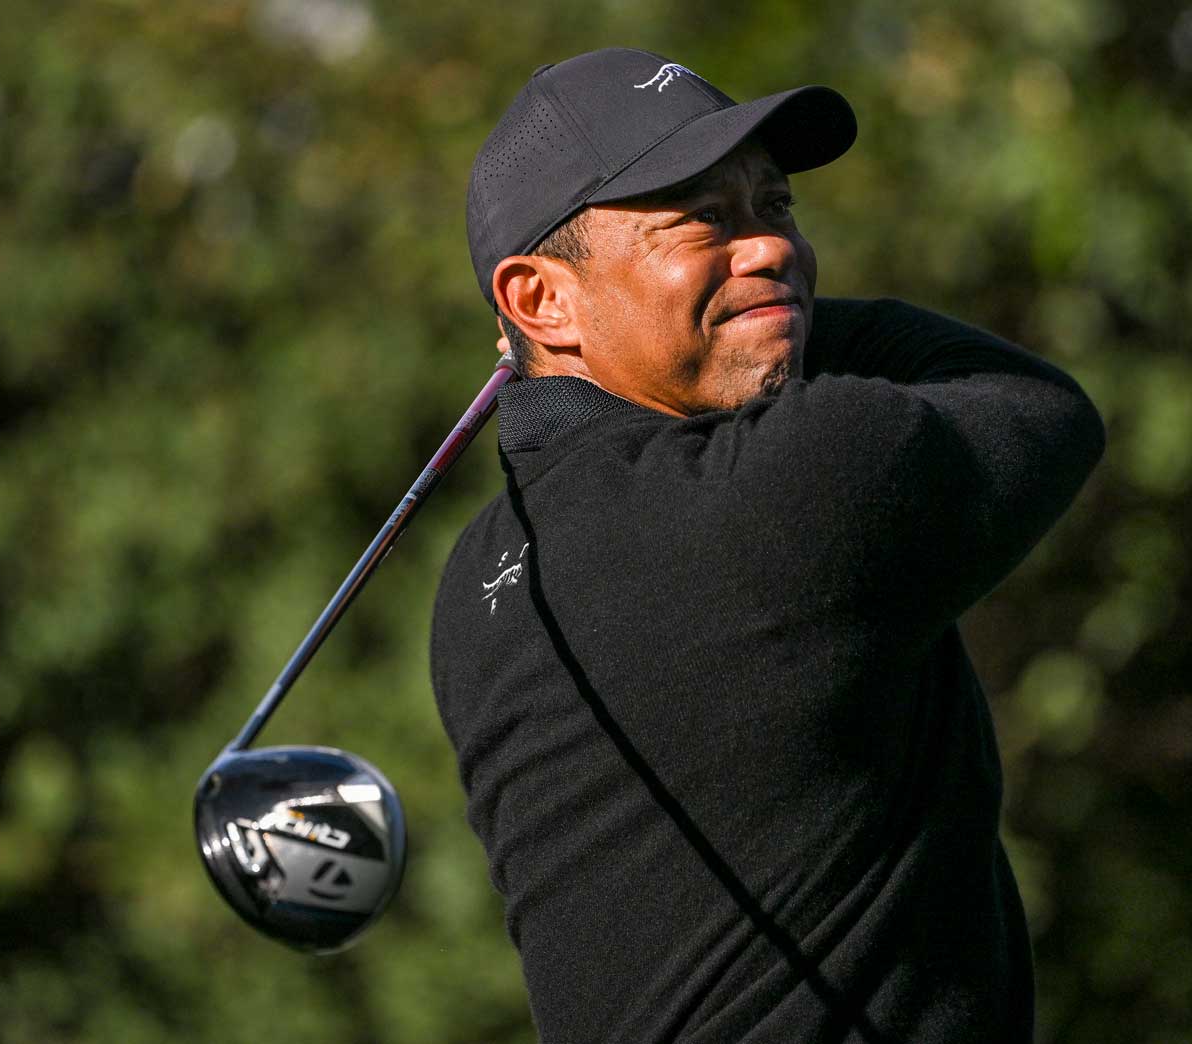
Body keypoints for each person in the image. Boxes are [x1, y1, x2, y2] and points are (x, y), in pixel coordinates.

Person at [430, 47, 1104, 1043]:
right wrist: (765, 314)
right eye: (701, 220)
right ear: (539, 297)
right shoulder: (804, 486)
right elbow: (1040, 405)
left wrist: (574, 363)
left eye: (773, 206)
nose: (767, 248)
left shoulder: (475, 590)